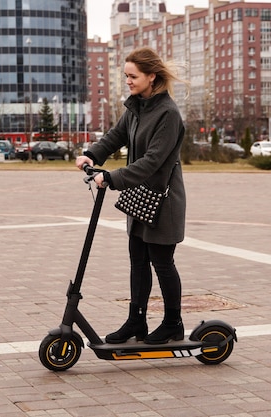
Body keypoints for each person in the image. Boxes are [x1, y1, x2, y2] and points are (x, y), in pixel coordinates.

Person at [75, 47, 187, 345]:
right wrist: (91, 154)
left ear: (152, 76)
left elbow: (152, 160)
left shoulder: (168, 114)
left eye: (133, 76)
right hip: (141, 196)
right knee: (138, 260)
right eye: (125, 76)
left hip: (163, 201)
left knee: (162, 263)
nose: (128, 81)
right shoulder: (137, 107)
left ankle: (173, 324)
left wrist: (112, 177)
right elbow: (117, 135)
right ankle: (136, 320)